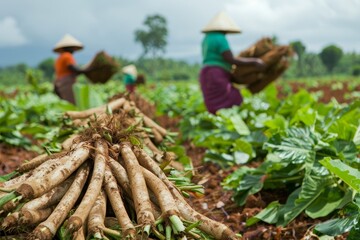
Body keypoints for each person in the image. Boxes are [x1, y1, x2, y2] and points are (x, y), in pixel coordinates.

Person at [199, 11, 266, 114]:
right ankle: (228, 125)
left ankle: (218, 125)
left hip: (206, 74)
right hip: (216, 75)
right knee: (234, 98)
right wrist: (254, 62)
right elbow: (230, 59)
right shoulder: (220, 38)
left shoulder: (207, 38)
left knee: (214, 103)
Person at [53, 34, 88, 104]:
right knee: (71, 103)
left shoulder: (59, 58)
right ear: (68, 47)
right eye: (72, 48)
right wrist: (87, 70)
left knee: (65, 103)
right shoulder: (67, 56)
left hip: (59, 83)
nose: (74, 50)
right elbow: (73, 68)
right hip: (67, 83)